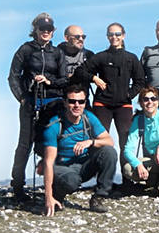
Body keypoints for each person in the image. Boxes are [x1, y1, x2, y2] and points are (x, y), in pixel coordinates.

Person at [8, 13, 67, 202]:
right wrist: (22, 98)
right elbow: (13, 76)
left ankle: (55, 187)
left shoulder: (57, 53)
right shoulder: (25, 50)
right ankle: (17, 186)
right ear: (36, 30)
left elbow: (64, 79)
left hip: (52, 103)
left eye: (49, 30)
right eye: (42, 29)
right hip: (30, 101)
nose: (46, 32)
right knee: (25, 144)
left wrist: (49, 81)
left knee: (52, 144)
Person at [77, 22, 145, 175]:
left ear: (123, 36)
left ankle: (127, 181)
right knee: (100, 141)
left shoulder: (131, 58)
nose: (114, 37)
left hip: (124, 105)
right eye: (111, 34)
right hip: (102, 104)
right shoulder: (101, 57)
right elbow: (80, 71)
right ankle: (101, 180)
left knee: (126, 142)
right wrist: (94, 78)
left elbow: (140, 81)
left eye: (117, 34)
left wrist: (129, 94)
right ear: (107, 36)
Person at [41, 85, 118, 216]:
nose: (77, 105)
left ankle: (99, 198)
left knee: (109, 152)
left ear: (85, 103)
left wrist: (91, 142)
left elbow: (109, 141)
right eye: (72, 101)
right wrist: (47, 197)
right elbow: (48, 163)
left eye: (81, 101)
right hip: (61, 168)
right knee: (72, 181)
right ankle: (56, 195)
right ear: (65, 103)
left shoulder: (88, 118)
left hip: (83, 166)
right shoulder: (54, 126)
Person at [58, 25, 94, 91]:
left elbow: (91, 77)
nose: (81, 39)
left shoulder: (89, 55)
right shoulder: (56, 54)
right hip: (61, 96)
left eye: (83, 37)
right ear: (67, 38)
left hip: (82, 98)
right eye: (77, 37)